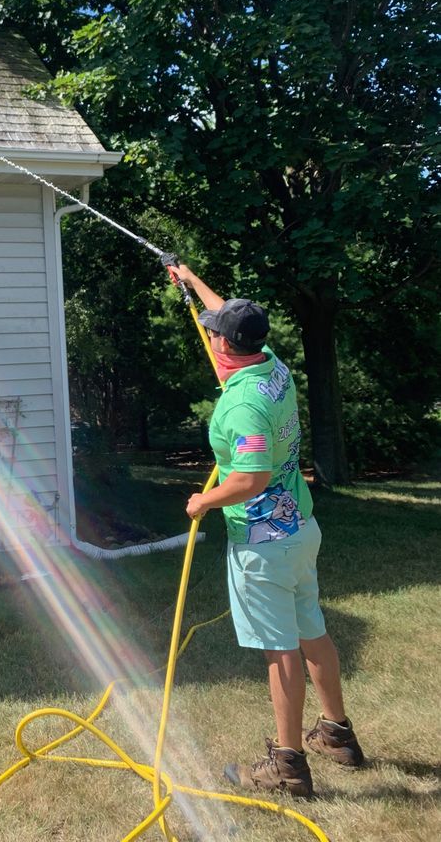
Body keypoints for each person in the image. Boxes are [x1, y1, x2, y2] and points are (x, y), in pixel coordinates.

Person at [167, 263, 364, 798]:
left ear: (224, 346)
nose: (206, 333)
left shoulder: (245, 402)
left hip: (264, 543)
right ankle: (337, 734)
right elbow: (230, 312)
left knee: (280, 650)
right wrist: (189, 279)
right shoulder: (271, 365)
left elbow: (251, 478)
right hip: (301, 529)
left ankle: (288, 765)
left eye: (212, 332)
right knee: (310, 631)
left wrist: (203, 501)